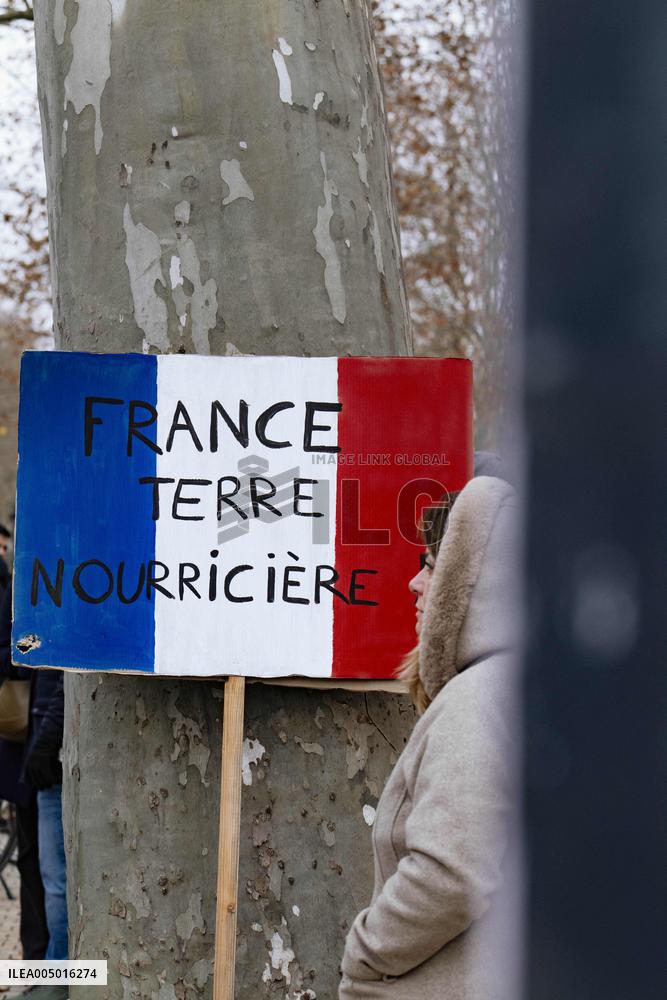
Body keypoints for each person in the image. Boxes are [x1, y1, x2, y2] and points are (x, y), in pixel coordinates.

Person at [339, 475, 520, 1000]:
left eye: (432, 567)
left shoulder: (481, 700)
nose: (415, 584)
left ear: (473, 586)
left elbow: (451, 872)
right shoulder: (529, 691)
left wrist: (367, 956)